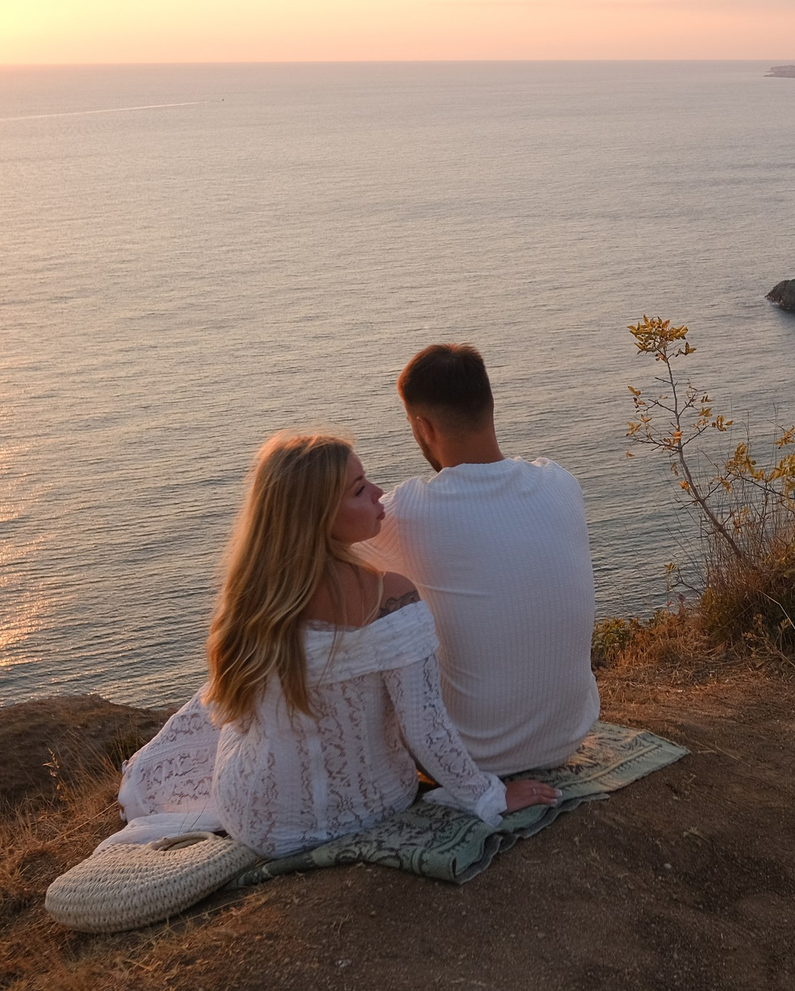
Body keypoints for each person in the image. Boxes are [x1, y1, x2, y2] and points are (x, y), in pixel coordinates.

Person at [104, 432, 556, 860]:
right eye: (359, 489)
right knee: (226, 712)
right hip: (380, 805)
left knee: (225, 712)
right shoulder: (390, 596)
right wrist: (489, 796)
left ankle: (147, 781)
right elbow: (425, 727)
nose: (379, 493)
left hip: (265, 826)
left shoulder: (251, 603)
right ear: (318, 515)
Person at [352, 343, 599, 775]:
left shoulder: (410, 510)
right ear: (488, 407)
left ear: (423, 427)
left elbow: (318, 561)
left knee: (365, 595)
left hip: (471, 756)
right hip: (567, 735)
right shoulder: (561, 482)